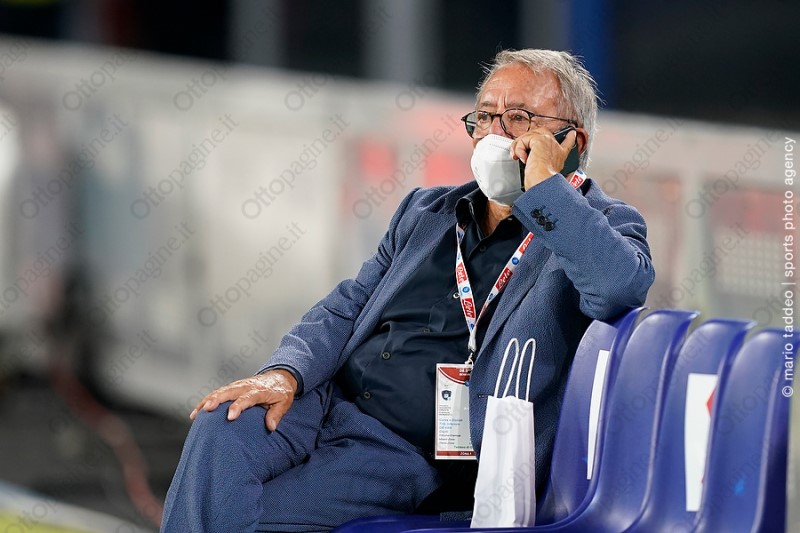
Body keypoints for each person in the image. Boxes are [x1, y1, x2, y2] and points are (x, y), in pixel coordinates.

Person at [161, 48, 655, 532]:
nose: (495, 133)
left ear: (570, 140)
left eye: (519, 118)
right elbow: (348, 305)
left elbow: (619, 288)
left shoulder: (603, 224)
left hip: (405, 452)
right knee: (222, 423)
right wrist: (285, 373)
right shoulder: (427, 211)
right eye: (485, 117)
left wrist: (547, 188)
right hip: (328, 403)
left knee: (244, 516)